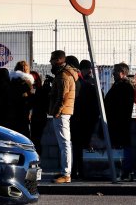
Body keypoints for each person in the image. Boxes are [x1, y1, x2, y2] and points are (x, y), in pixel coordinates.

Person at [48, 50, 78, 184]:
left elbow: (62, 96)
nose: (50, 62)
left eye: (52, 59)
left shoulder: (63, 75)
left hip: (62, 113)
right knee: (65, 143)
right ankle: (65, 172)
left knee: (65, 144)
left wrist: (56, 111)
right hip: (64, 112)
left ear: (59, 60)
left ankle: (66, 174)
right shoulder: (65, 73)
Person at [104, 63, 135, 180]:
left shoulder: (123, 86)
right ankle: (122, 170)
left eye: (116, 71)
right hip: (120, 121)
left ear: (122, 73)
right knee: (124, 145)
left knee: (124, 146)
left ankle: (124, 170)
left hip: (119, 121)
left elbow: (117, 104)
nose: (113, 73)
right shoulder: (122, 85)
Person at [70, 58, 99, 179]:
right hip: (87, 119)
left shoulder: (79, 83)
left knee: (77, 147)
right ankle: (81, 170)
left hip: (79, 118)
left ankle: (77, 170)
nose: (89, 71)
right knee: (81, 146)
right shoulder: (92, 83)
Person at [8, 61, 34, 137]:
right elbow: (31, 98)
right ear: (27, 70)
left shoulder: (10, 80)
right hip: (23, 112)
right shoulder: (27, 82)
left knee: (13, 134)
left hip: (12, 112)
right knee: (25, 134)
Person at [29, 70, 47, 155]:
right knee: (36, 139)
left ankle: (37, 157)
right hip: (39, 118)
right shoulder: (40, 89)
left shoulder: (38, 90)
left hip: (37, 118)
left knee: (35, 139)